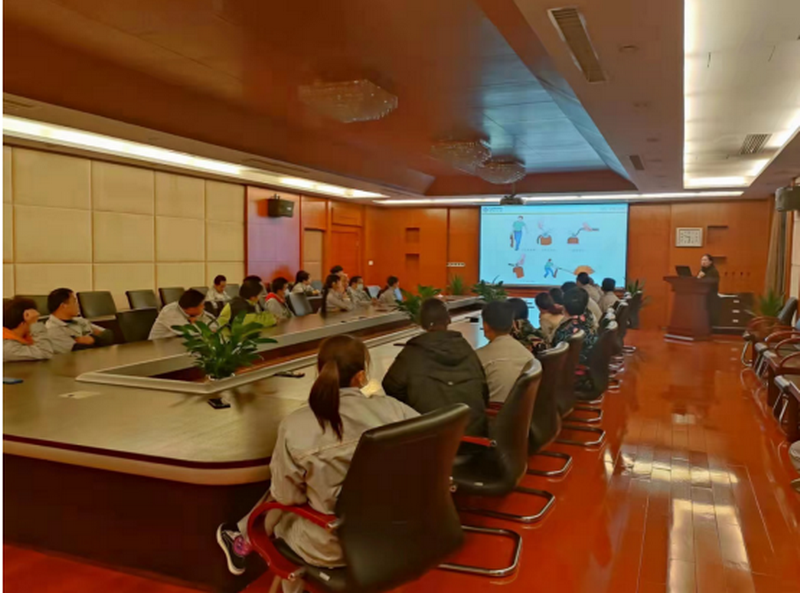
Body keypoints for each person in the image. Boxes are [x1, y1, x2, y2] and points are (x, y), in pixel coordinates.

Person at [216, 335, 418, 585]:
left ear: (319, 371)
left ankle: (244, 540)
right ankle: (243, 537)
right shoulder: (395, 410)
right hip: (393, 532)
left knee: (281, 504)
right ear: (361, 376)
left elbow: (287, 497)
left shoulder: (296, 426)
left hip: (330, 547)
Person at [383, 298, 489, 437]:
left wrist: (414, 404)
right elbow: (483, 391)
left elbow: (390, 387)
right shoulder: (467, 349)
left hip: (431, 438)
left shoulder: (412, 353)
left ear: (422, 323)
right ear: (448, 320)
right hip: (474, 435)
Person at [475, 301, 539, 404]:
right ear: (512, 324)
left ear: (485, 326)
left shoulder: (478, 358)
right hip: (524, 410)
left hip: (494, 411)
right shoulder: (527, 354)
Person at [552, 288, 598, 392]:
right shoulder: (588, 317)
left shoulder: (565, 331)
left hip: (573, 374)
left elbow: (554, 353)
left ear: (564, 307)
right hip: (590, 369)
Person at [45, 288, 113, 354]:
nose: (78, 305)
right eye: (74, 302)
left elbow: (108, 335)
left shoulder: (80, 321)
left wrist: (92, 339)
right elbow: (79, 350)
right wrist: (98, 339)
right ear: (63, 306)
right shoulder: (52, 330)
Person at [149, 289, 217, 340]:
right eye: (202, 305)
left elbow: (213, 322)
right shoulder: (169, 312)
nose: (204, 307)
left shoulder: (195, 312)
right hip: (158, 346)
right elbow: (191, 333)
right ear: (191, 309)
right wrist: (195, 324)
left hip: (176, 344)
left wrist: (211, 329)